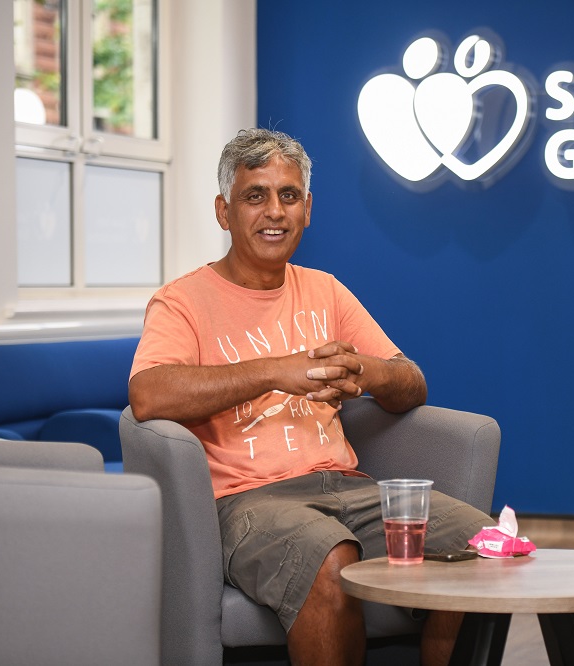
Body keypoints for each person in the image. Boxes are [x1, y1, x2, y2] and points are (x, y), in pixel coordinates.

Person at [128, 128, 492, 666]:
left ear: (307, 209)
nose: (274, 212)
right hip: (248, 501)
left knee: (483, 547)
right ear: (224, 212)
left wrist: (364, 372)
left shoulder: (326, 290)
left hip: (350, 488)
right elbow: (148, 393)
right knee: (329, 558)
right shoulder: (181, 301)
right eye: (255, 196)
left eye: (289, 196)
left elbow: (410, 381)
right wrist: (276, 371)